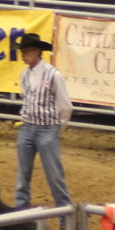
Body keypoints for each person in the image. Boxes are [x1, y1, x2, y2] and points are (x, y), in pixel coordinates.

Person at [12, 32, 72, 213]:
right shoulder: (25, 74)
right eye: (23, 51)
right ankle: (21, 210)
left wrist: (55, 129)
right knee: (23, 174)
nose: (23, 54)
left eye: (27, 51)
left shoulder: (54, 75)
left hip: (46, 129)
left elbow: (65, 105)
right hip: (29, 126)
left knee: (54, 176)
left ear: (37, 52)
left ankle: (64, 213)